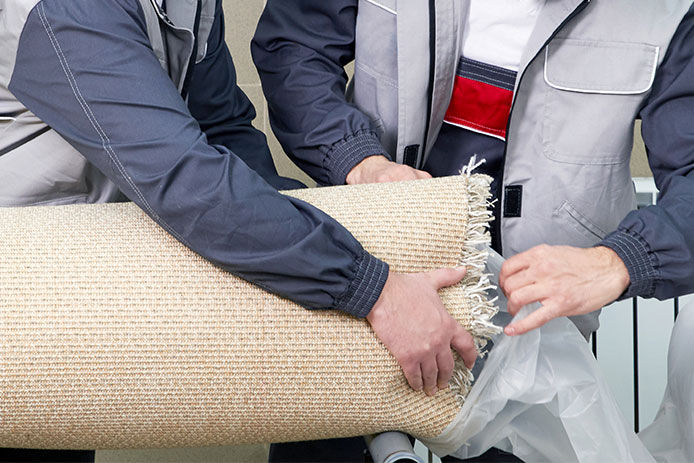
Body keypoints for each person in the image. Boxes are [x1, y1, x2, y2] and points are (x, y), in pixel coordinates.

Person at [0, 0, 479, 461]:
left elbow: (222, 128)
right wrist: (372, 288)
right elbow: (190, 182)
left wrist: (329, 243)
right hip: (22, 289)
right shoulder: (65, 10)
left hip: (62, 290)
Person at [252, 0, 694, 460]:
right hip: (358, 288)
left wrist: (620, 260)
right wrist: (359, 160)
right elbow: (293, 46)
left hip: (522, 333)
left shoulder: (671, 13)